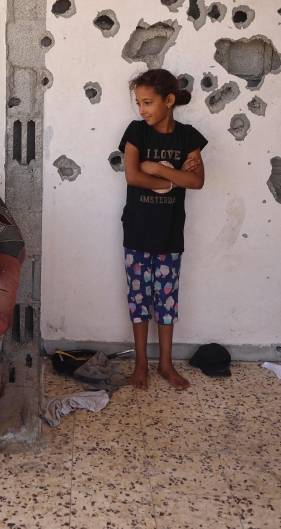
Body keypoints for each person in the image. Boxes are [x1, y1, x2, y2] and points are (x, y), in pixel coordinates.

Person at [119, 69, 207, 391]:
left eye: (148, 102)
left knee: (166, 300)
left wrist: (154, 168)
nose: (142, 110)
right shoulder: (136, 132)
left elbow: (196, 181)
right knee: (139, 299)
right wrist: (174, 178)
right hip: (138, 230)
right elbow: (132, 175)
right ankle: (141, 362)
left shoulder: (188, 138)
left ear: (169, 101)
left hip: (171, 233)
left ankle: (165, 364)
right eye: (139, 103)